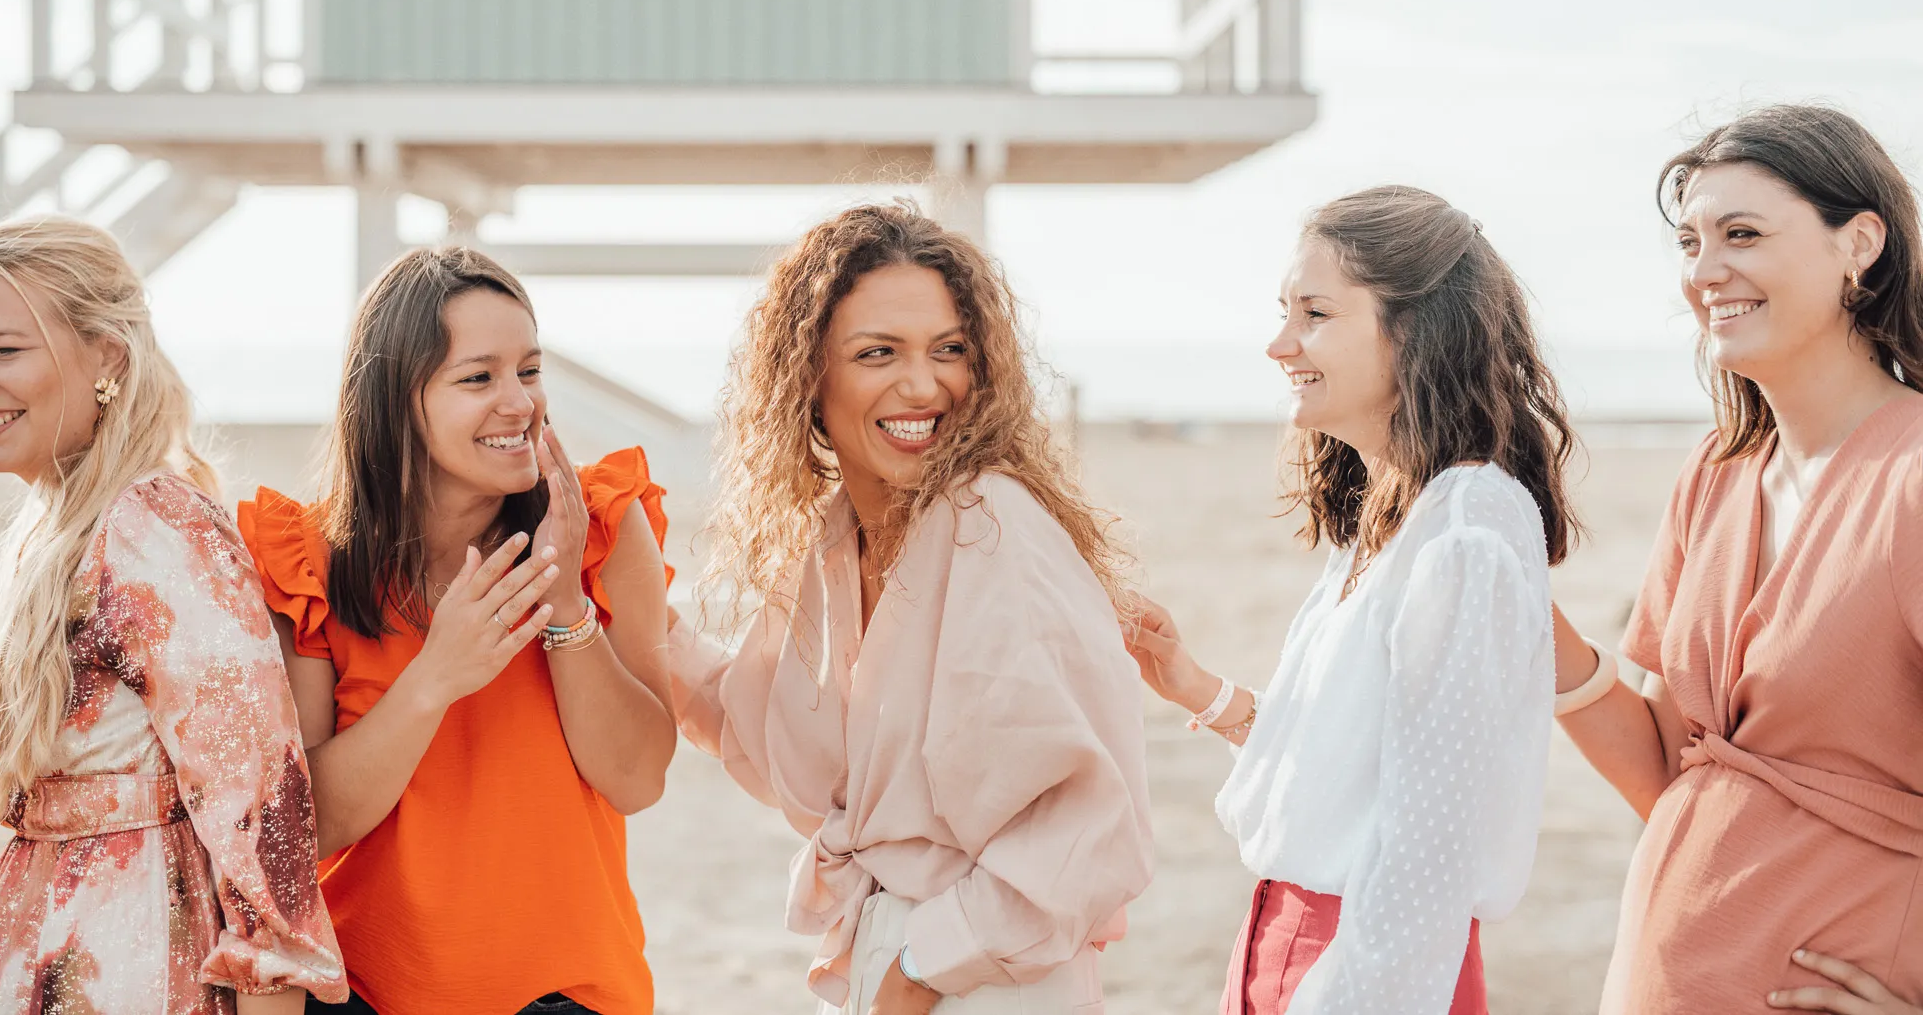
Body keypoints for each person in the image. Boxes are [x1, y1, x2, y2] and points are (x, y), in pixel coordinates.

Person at [667, 202, 1153, 1015]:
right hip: (886, 959)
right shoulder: (832, 542)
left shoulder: (990, 524)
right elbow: (753, 731)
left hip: (987, 978)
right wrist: (616, 597)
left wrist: (923, 970)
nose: (924, 385)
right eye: (877, 353)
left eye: (949, 350)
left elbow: (1095, 821)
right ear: (808, 377)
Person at [1129, 185, 1577, 1015]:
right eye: (1283, 311)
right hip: (1282, 944)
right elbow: (1352, 771)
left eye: (1315, 313)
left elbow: (1425, 859)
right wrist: (1202, 690)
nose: (1279, 343)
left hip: (1360, 969)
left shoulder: (1465, 535)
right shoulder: (1392, 516)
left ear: (1413, 328)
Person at [1550, 105, 1923, 1015]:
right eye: (1689, 241)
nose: (1704, 271)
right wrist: (1518, 604)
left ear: (1859, 244)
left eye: (1742, 234)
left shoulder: (1913, 479)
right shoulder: (1716, 475)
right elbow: (1670, 763)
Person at [241, 246, 676, 1015]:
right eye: (478, 378)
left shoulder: (605, 525)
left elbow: (638, 778)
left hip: (568, 996)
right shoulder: (309, 563)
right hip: (361, 995)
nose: (520, 402)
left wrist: (565, 599)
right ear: (394, 403)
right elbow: (308, 828)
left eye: (530, 370)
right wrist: (437, 675)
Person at [0, 216, 345, 1015]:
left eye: (4, 349)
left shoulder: (158, 523)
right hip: (39, 946)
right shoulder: (58, 526)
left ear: (107, 358)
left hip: (135, 964)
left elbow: (261, 807)